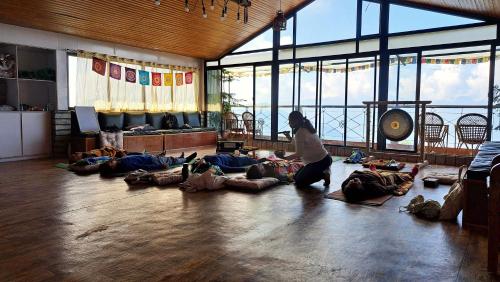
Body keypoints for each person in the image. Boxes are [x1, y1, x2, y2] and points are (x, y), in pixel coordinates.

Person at [282, 111, 332, 187]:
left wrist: (285, 158)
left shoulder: (300, 132)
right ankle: (322, 170)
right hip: (324, 159)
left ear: (296, 121)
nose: (289, 123)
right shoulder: (306, 127)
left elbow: (299, 154)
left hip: (320, 161)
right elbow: (299, 143)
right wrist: (289, 137)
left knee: (299, 181)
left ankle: (324, 175)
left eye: (290, 121)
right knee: (296, 177)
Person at [341, 167, 418, 202]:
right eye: (355, 182)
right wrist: (395, 186)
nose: (353, 179)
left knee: (378, 173)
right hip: (380, 179)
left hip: (367, 174)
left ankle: (375, 171)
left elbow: (348, 187)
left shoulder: (345, 185)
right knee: (395, 176)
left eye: (351, 182)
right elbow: (387, 189)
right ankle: (410, 175)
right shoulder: (373, 187)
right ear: (360, 186)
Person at [99, 152, 197, 175]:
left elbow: (134, 155)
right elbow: (142, 167)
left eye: (109, 161)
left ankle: (180, 158)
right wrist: (159, 167)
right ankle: (185, 160)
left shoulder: (121, 160)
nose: (111, 161)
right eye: (110, 164)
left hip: (149, 157)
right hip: (152, 161)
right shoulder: (125, 166)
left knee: (168, 158)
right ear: (112, 168)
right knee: (171, 161)